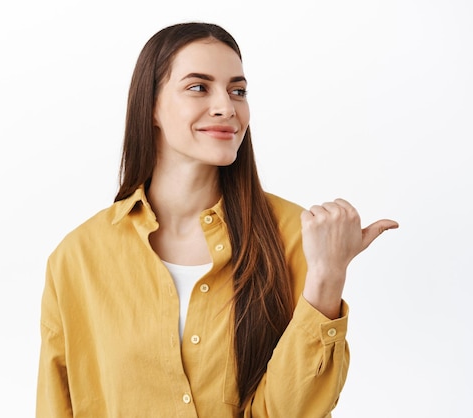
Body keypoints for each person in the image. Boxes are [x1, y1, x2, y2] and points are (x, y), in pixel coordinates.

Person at [36, 22, 398, 418]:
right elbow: (57, 405)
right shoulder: (78, 258)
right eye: (198, 87)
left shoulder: (298, 236)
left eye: (237, 91)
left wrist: (328, 276)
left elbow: (295, 411)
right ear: (151, 106)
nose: (227, 107)